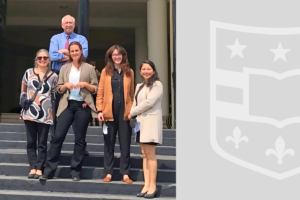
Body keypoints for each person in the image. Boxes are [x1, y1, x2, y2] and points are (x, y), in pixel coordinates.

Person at [40, 41, 98, 181]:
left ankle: (75, 172)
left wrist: (85, 85)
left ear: (80, 51)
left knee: (79, 139)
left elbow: (95, 88)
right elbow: (58, 89)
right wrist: (65, 85)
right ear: (69, 53)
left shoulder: (89, 68)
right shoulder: (65, 68)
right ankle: (49, 171)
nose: (74, 53)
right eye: (72, 51)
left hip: (82, 106)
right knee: (57, 137)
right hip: (67, 105)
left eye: (76, 50)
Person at [49, 14, 90, 156]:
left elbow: (83, 56)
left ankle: (81, 145)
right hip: (58, 76)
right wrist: (70, 54)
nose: (68, 25)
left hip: (77, 77)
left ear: (74, 25)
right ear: (62, 25)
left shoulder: (81, 39)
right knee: (55, 110)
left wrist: (63, 52)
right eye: (66, 23)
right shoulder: (55, 38)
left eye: (70, 23)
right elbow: (52, 56)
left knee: (77, 112)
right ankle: (54, 142)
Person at [96, 45, 134, 184]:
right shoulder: (105, 71)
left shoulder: (129, 72)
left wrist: (132, 111)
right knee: (109, 144)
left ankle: (125, 174)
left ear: (123, 56)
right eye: (114, 55)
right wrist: (99, 110)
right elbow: (100, 92)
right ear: (110, 57)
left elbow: (131, 94)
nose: (116, 57)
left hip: (125, 113)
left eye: (119, 54)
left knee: (125, 144)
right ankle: (108, 172)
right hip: (108, 112)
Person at [19, 49, 58, 179]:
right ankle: (32, 167)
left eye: (45, 58)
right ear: (36, 59)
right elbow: (23, 91)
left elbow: (55, 94)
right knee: (31, 142)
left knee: (42, 143)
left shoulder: (53, 76)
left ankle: (40, 168)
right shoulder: (28, 72)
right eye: (40, 58)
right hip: (30, 111)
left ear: (49, 60)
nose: (42, 60)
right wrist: (23, 104)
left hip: (45, 113)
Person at [128, 60, 163, 198]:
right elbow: (135, 102)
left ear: (153, 71)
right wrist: (131, 113)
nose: (146, 71)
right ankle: (146, 184)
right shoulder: (139, 86)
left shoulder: (157, 84)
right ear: (140, 71)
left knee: (150, 154)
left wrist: (132, 112)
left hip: (151, 122)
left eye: (149, 69)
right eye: (143, 69)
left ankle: (152, 186)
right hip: (140, 123)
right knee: (144, 155)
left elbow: (150, 102)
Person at [88, 61, 100, 126]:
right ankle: (91, 121)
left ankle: (96, 121)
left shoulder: (97, 71)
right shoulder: (88, 71)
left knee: (95, 106)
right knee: (90, 106)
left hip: (96, 92)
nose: (94, 66)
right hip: (89, 92)